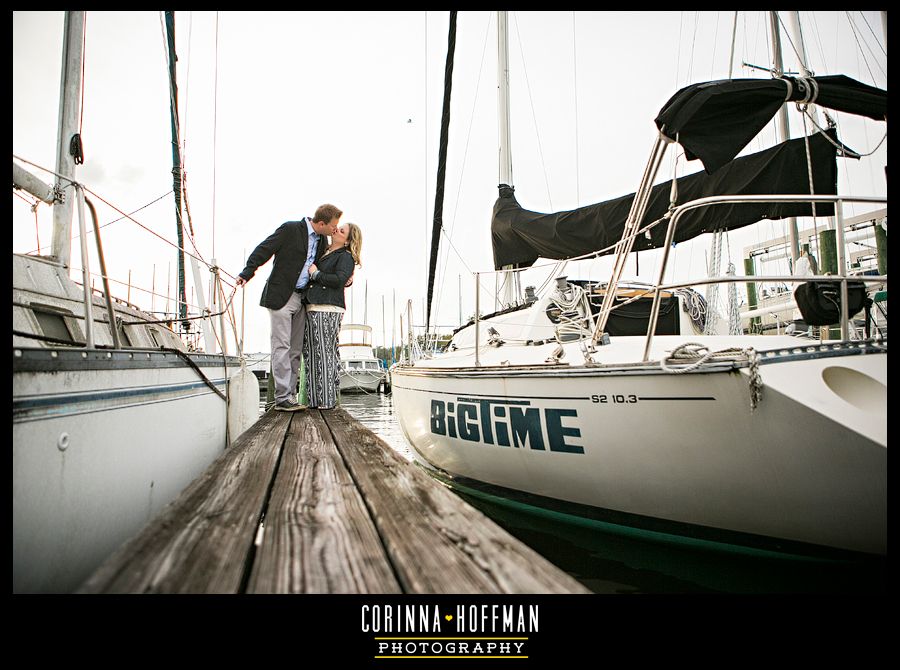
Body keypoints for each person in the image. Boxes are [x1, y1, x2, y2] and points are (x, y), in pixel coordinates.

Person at [235, 204, 342, 411]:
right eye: (333, 226)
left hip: (302, 298)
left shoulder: (322, 241)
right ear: (321, 223)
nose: (335, 230)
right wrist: (247, 273)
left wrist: (346, 277)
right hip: (282, 296)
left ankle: (290, 396)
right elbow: (263, 250)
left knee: (294, 350)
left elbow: (327, 264)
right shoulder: (291, 229)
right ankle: (282, 397)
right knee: (281, 346)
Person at [303, 222, 362, 410]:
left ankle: (327, 402)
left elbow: (339, 280)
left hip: (328, 308)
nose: (336, 230)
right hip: (312, 306)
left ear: (347, 241)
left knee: (325, 354)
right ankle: (314, 401)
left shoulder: (345, 256)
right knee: (311, 354)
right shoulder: (324, 250)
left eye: (342, 230)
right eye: (338, 227)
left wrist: (316, 274)